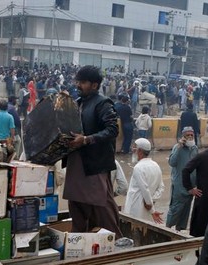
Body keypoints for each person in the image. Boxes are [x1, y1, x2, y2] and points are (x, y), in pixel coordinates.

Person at [64, 65, 122, 236]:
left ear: (95, 85)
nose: (78, 85)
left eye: (83, 82)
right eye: (77, 81)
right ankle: (79, 244)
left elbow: (112, 130)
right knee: (76, 207)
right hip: (76, 164)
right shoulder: (78, 103)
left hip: (94, 166)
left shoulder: (103, 103)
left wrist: (87, 139)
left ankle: (115, 245)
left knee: (102, 209)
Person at [123, 138, 165, 223]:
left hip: (135, 209)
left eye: (134, 148)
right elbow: (161, 187)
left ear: (140, 151)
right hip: (147, 210)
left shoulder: (138, 168)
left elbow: (145, 189)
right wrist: (152, 200)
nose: (132, 150)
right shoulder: (155, 165)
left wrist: (150, 206)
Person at [166, 127, 199, 231]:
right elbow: (172, 162)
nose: (189, 137)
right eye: (187, 135)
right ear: (183, 136)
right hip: (179, 187)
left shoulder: (194, 148)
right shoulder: (177, 147)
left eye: (191, 135)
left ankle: (179, 231)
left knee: (185, 212)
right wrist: (180, 146)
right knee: (175, 210)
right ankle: (167, 230)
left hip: (190, 187)